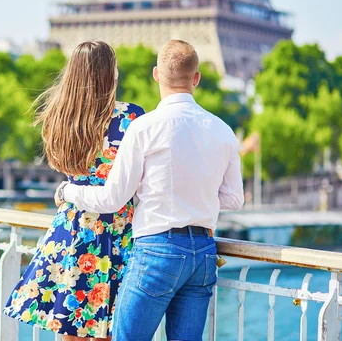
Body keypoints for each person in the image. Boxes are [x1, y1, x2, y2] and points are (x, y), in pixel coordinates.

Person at [55, 40, 244, 341]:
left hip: (158, 249)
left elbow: (112, 198)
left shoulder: (143, 127)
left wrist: (67, 192)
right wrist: (195, 193)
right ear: (196, 78)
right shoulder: (223, 130)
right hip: (204, 254)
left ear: (156, 75)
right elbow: (235, 199)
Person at [3, 40, 145, 340]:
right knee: (109, 327)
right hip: (116, 230)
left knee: (70, 324)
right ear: (110, 73)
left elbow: (63, 168)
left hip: (72, 228)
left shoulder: (60, 116)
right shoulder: (130, 117)